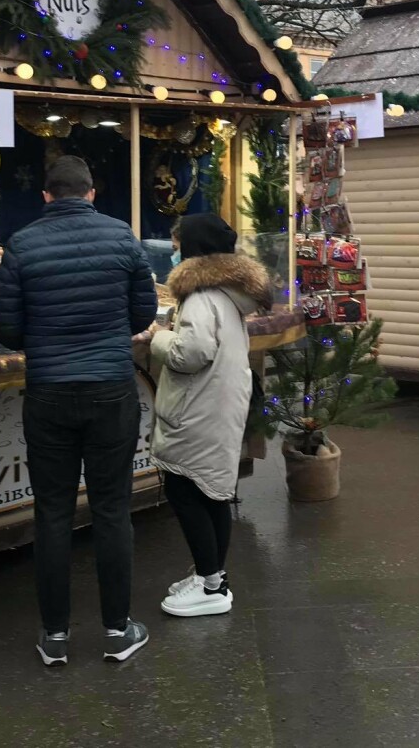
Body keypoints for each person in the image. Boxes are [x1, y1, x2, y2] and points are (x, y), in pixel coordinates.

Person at [0, 156, 158, 666]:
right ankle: (117, 630)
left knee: (52, 512)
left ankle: (55, 637)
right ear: (90, 193)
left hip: (48, 394)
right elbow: (144, 313)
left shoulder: (21, 244)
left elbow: (6, 329)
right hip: (111, 390)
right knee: (112, 509)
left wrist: (46, 336)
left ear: (46, 196)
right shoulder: (122, 237)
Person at [150, 213, 272, 617]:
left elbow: (191, 353)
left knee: (187, 492)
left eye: (177, 244)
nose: (173, 251)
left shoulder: (200, 297)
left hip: (198, 410)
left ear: (192, 249)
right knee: (214, 493)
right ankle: (213, 577)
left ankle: (209, 586)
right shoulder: (228, 293)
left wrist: (158, 337)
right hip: (219, 406)